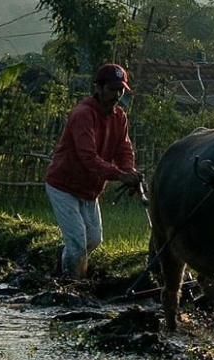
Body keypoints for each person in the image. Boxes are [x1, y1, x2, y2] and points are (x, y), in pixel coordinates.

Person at [45, 63, 141, 279]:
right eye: (112, 89)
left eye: (121, 90)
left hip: (89, 188)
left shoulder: (119, 117)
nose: (117, 95)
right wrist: (119, 175)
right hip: (63, 184)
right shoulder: (83, 114)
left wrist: (129, 172)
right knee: (79, 243)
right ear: (98, 87)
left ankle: (65, 265)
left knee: (94, 240)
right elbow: (87, 157)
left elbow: (124, 149)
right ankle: (72, 284)